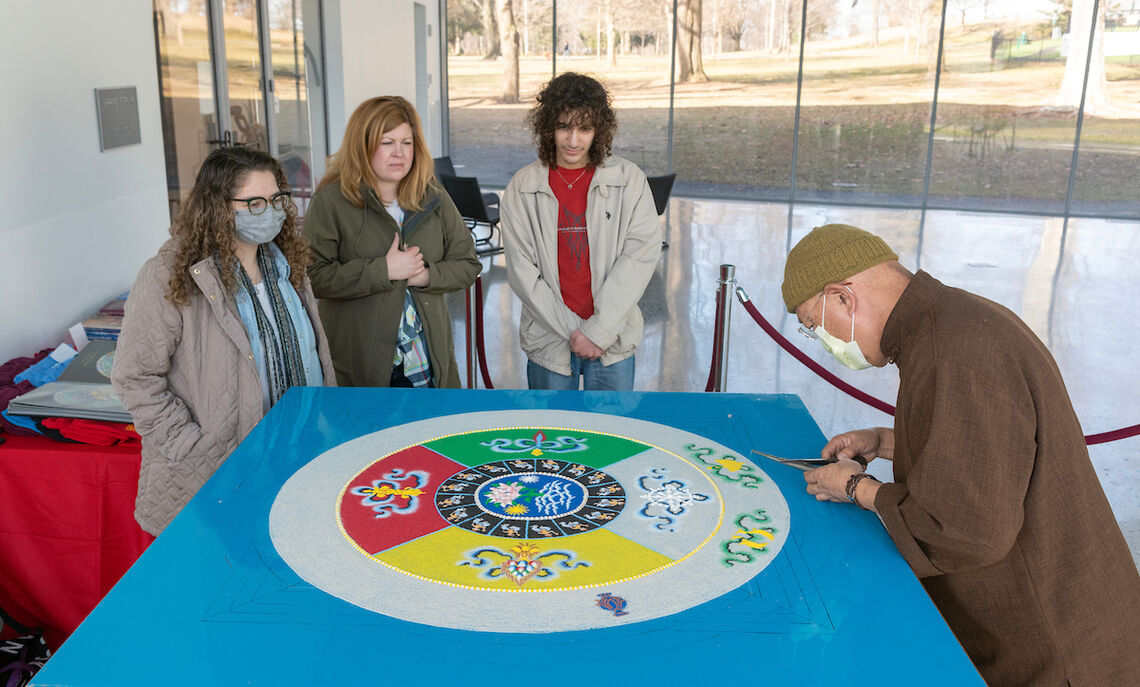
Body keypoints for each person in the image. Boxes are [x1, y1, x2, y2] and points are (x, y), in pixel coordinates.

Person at [782, 223, 1140, 685]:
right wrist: (884, 440)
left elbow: (967, 531)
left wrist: (856, 487)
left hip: (1054, 643)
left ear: (843, 297)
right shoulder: (954, 319)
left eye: (814, 325)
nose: (826, 344)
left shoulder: (954, 355)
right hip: (1077, 605)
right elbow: (990, 448)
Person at [112, 147, 335, 536]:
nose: (270, 210)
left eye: (277, 198)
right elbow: (135, 377)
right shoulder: (168, 276)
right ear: (218, 207)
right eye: (254, 202)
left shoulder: (287, 263)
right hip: (217, 471)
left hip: (297, 455)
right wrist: (192, 445)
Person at [304, 96, 480, 387]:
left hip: (427, 363)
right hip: (362, 367)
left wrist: (424, 275)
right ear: (362, 145)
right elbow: (313, 278)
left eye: (407, 143)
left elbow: (468, 264)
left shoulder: (432, 194)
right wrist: (382, 271)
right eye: (387, 143)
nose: (399, 153)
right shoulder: (331, 201)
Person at [500, 73, 660, 391]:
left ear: (599, 129)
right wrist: (577, 332)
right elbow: (523, 273)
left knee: (612, 439)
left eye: (584, 128)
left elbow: (639, 257)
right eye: (564, 127)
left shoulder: (630, 181)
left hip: (612, 342)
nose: (573, 141)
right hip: (550, 343)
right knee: (551, 439)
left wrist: (598, 331)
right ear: (548, 128)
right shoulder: (523, 187)